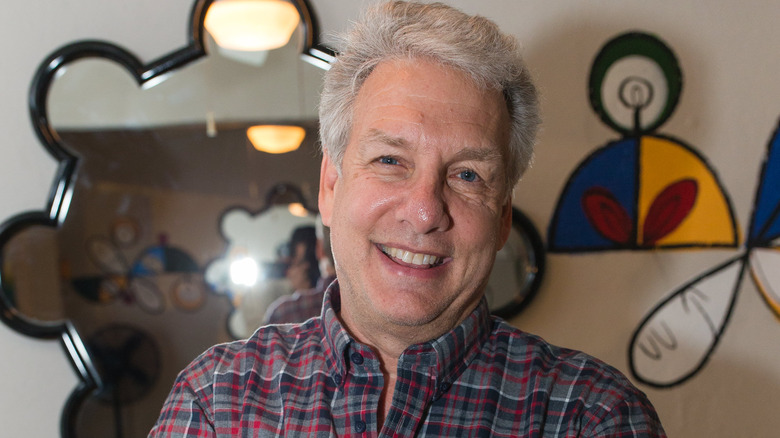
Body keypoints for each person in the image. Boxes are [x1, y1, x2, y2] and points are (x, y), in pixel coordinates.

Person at [150, 1, 666, 436]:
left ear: (503, 216)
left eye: (467, 175)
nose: (424, 212)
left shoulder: (593, 418)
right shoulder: (218, 403)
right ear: (331, 186)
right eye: (390, 161)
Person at [263, 217, 336, 324]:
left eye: (299, 262)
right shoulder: (361, 298)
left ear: (319, 249)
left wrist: (303, 294)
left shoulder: (284, 312)